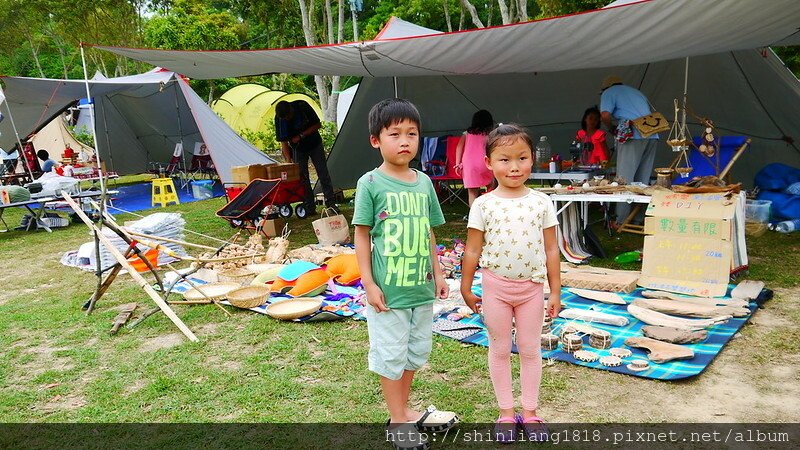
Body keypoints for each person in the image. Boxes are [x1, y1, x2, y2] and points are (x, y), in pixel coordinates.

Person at [352, 98, 459, 448]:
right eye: (394, 133)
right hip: (388, 291)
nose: (404, 141)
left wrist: (439, 272)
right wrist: (368, 283)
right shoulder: (370, 183)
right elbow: (362, 234)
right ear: (375, 140)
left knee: (414, 353)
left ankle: (405, 410)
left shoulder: (424, 183)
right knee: (390, 355)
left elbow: (429, 231)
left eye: (411, 133)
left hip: (420, 288)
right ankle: (398, 421)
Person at [460, 123, 561, 442]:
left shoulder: (542, 202)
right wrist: (465, 285)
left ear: (533, 159)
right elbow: (473, 248)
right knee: (499, 349)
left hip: (532, 290)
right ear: (488, 163)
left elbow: (551, 249)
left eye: (522, 158)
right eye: (504, 159)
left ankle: (529, 412)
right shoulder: (483, 204)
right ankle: (506, 412)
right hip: (495, 289)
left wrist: (555, 291)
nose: (514, 167)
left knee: (531, 350)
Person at [599, 75, 659, 226]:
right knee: (642, 179)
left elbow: (605, 115)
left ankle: (621, 220)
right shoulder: (636, 92)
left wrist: (611, 127)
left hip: (632, 135)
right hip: (652, 134)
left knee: (624, 178)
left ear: (606, 88)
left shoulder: (609, 92)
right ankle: (638, 218)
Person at [274, 100, 337, 215]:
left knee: (323, 173)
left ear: (291, 109)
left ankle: (331, 203)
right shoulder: (279, 119)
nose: (287, 119)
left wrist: (302, 135)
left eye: (288, 116)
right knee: (303, 178)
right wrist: (288, 161)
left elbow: (318, 124)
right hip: (298, 149)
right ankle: (310, 206)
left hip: (314, 144)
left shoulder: (302, 106)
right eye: (285, 118)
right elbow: (283, 142)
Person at [455, 109, 495, 206]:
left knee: (472, 192)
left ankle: (473, 216)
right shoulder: (490, 134)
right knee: (491, 186)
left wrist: (457, 164)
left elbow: (459, 147)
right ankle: (489, 208)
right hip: (485, 163)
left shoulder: (467, 134)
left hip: (469, 165)